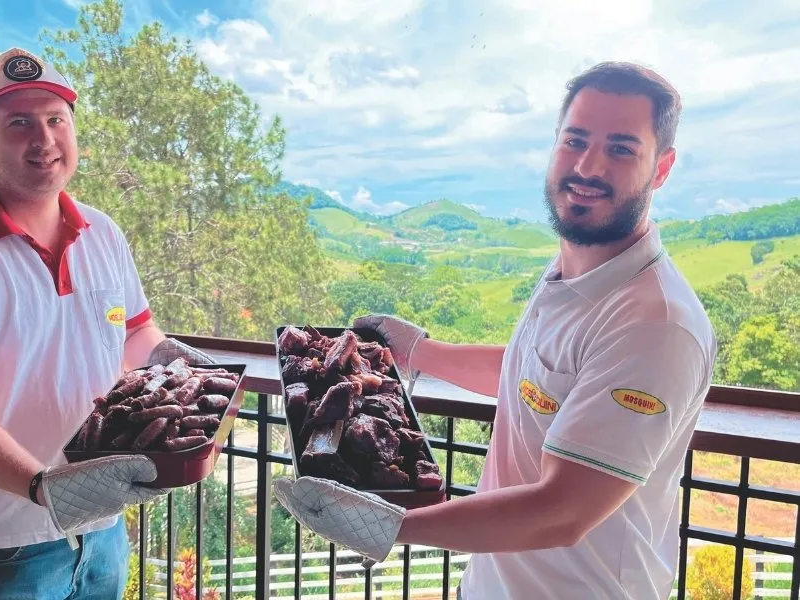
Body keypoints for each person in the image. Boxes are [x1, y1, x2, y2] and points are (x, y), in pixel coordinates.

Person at [274, 61, 718, 600]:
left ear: (662, 168)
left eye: (622, 148)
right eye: (574, 140)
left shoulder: (655, 324)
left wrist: (389, 525)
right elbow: (537, 373)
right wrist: (419, 349)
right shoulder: (570, 273)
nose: (588, 165)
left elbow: (563, 511)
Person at [0, 47, 213, 600]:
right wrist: (46, 488)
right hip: (2, 542)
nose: (43, 139)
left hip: (103, 530)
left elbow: (137, 334)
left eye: (55, 120)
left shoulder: (103, 232)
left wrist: (172, 359)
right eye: (19, 122)